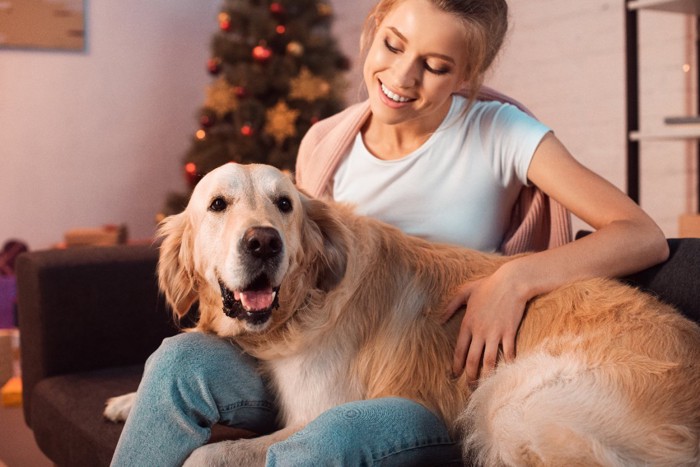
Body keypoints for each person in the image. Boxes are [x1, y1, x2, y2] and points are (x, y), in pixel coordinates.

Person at [111, 0, 669, 465]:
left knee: (330, 436)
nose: (402, 78)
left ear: (469, 74)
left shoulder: (502, 133)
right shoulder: (325, 142)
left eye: (436, 65)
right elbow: (293, 282)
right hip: (321, 354)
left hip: (431, 379)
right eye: (395, 45)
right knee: (175, 362)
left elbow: (641, 235)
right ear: (374, 28)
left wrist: (515, 279)